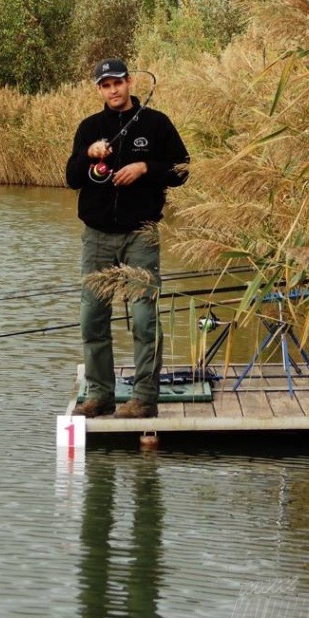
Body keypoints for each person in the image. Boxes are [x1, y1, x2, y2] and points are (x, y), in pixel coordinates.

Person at [65, 59, 190, 419]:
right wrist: (88, 156)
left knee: (143, 319)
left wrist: (145, 168)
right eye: (105, 85)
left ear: (129, 82)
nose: (113, 90)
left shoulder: (156, 123)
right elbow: (72, 178)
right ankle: (100, 395)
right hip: (97, 237)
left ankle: (144, 399)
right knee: (92, 318)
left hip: (141, 235)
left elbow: (181, 169)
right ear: (99, 90)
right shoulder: (89, 128)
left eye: (117, 82)